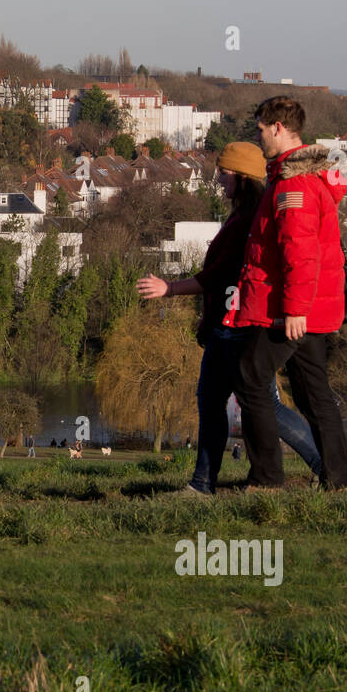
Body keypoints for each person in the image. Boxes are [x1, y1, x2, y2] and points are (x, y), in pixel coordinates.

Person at [137, 140, 322, 494]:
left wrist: (170, 288)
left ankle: (319, 465)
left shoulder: (245, 221)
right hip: (231, 325)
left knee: (252, 403)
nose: (217, 179)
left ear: (240, 175)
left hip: (236, 327)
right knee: (220, 400)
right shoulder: (245, 216)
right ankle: (203, 482)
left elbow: (221, 275)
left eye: (222, 173)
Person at [231, 96, 347, 491]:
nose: (259, 137)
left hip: (290, 309)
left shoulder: (294, 185)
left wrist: (295, 309)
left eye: (261, 130)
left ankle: (267, 478)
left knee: (251, 377)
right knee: (313, 393)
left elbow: (299, 252)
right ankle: (340, 479)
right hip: (310, 308)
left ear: (278, 129)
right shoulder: (302, 178)